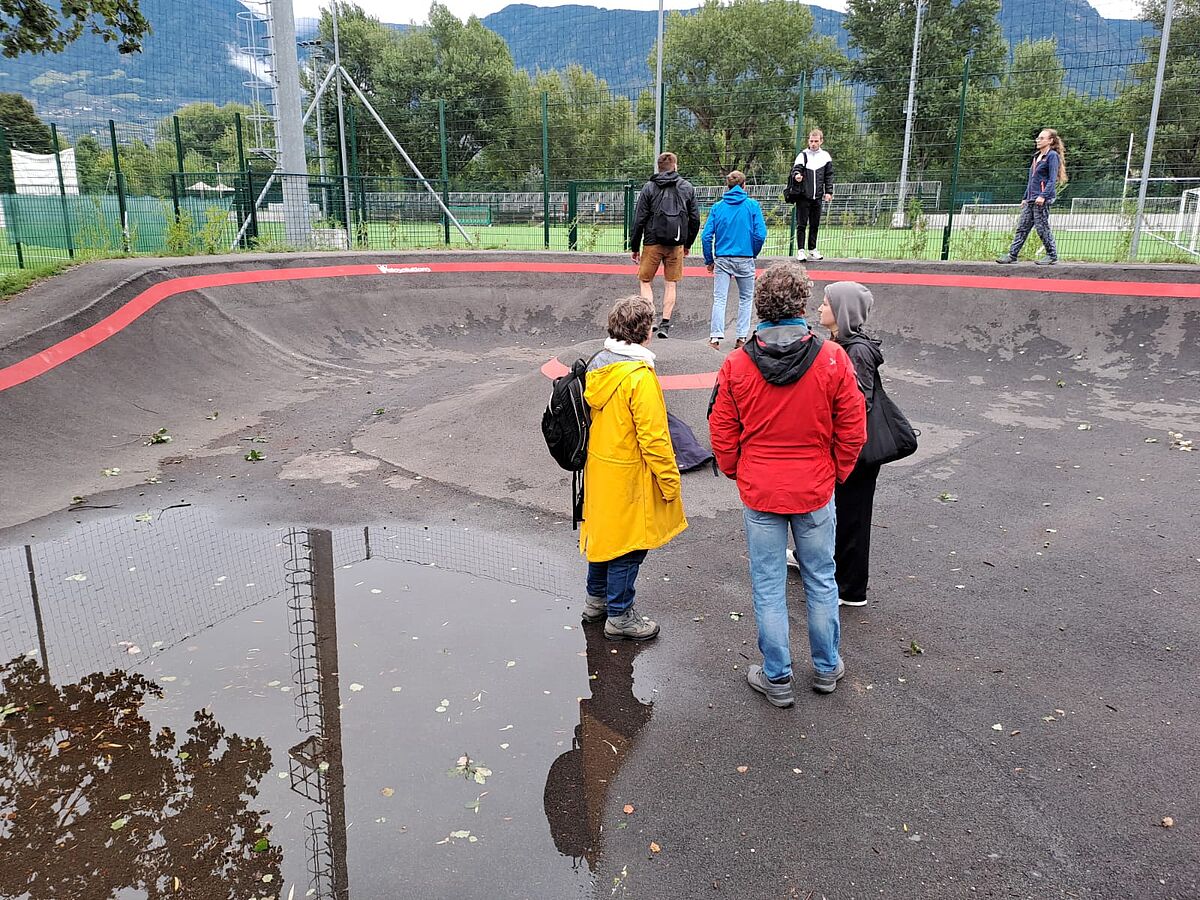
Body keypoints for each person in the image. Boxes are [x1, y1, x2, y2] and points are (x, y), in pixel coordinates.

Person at [708, 263, 866, 706]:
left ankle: (776, 676)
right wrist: (835, 472)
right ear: (801, 302)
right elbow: (853, 428)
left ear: (759, 305)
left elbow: (722, 430)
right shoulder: (833, 358)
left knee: (768, 583)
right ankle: (827, 666)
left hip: (762, 487)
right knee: (821, 578)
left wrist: (741, 470)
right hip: (815, 486)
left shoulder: (737, 365)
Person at [579, 295, 687, 641]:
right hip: (629, 473)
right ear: (646, 332)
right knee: (629, 544)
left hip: (600, 467)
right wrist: (670, 482)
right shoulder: (638, 377)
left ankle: (595, 601)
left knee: (604, 537)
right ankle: (620, 614)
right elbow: (654, 438)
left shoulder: (599, 364)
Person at [816, 282, 882, 608]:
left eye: (825, 303)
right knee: (835, 509)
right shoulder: (841, 344)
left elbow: (858, 404)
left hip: (856, 450)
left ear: (841, 310)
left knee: (853, 515)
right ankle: (819, 559)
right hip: (843, 446)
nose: (819, 308)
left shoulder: (855, 352)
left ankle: (851, 589)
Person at [629, 152, 701, 339]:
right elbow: (695, 219)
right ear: (675, 166)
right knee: (670, 284)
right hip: (676, 244)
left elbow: (639, 219)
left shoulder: (649, 187)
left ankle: (649, 321)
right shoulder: (686, 187)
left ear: (659, 167)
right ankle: (665, 325)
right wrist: (687, 243)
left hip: (652, 242)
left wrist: (635, 246)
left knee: (646, 281)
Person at [701, 170, 767, 352]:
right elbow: (760, 234)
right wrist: (752, 252)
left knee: (720, 297)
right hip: (745, 257)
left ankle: (715, 338)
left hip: (722, 258)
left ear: (727, 187)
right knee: (746, 298)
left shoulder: (718, 207)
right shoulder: (752, 206)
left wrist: (709, 259)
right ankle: (741, 337)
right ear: (744, 186)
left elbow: (706, 236)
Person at [996, 128, 1068, 266]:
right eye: (1038, 138)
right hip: (1031, 198)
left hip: (1042, 199)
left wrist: (1043, 196)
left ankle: (1052, 255)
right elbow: (1032, 180)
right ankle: (1012, 255)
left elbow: (1052, 180)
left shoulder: (1052, 156)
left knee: (1042, 227)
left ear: (1050, 141)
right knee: (1022, 227)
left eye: (1041, 138)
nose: (1038, 140)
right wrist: (1025, 197)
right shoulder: (1036, 157)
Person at [789, 128, 834, 262]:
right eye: (811, 141)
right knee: (801, 224)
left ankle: (812, 249)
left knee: (815, 224)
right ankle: (801, 250)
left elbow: (829, 176)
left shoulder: (825, 156)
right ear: (808, 141)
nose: (813, 143)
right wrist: (797, 175)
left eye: (816, 141)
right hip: (803, 196)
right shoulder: (803, 155)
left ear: (821, 141)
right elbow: (795, 169)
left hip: (818, 196)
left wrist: (828, 192)